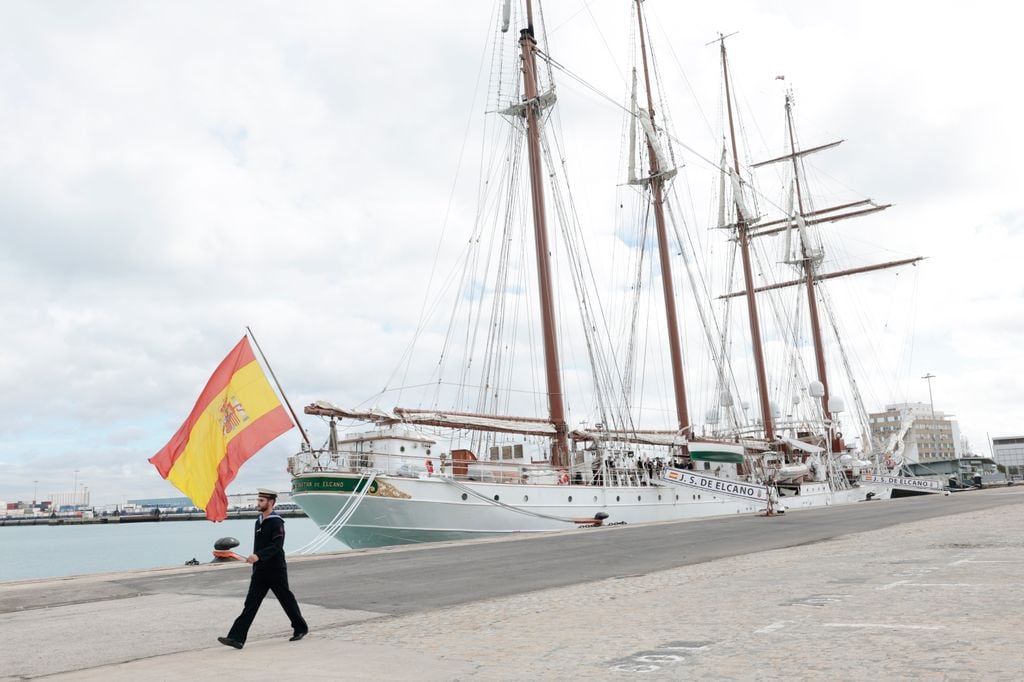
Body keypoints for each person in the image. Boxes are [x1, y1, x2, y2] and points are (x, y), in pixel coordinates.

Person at [218, 489, 308, 649]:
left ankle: (300, 628)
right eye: (258, 500)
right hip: (260, 570)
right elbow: (258, 545)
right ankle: (237, 638)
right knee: (251, 603)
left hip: (275, 569)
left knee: (286, 599)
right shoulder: (259, 521)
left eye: (261, 501)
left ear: (271, 502)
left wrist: (258, 555)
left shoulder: (276, 522)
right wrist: (255, 563)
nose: (258, 503)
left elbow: (277, 546)